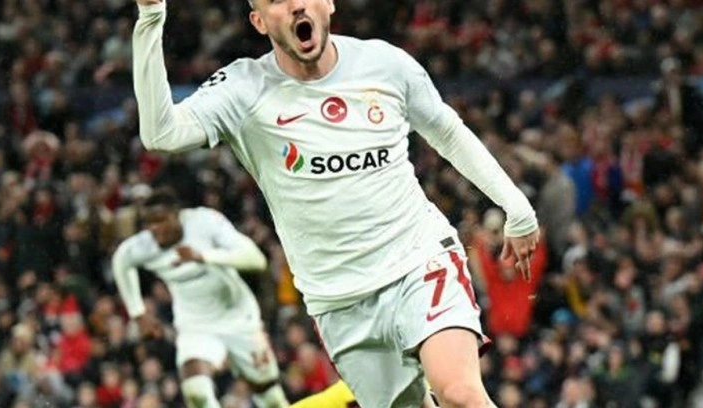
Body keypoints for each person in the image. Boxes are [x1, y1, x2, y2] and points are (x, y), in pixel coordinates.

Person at [131, 0, 540, 406]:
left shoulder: (385, 65)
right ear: (259, 21)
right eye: (276, 1)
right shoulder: (243, 88)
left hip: (418, 260)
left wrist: (516, 207)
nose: (295, 6)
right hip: (338, 300)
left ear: (328, 3)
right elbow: (161, 135)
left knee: (459, 393)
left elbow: (447, 132)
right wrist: (151, 17)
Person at [112, 189, 289, 408]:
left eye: (160, 220)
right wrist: (137, 314)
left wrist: (204, 256)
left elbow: (256, 260)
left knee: (271, 398)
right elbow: (121, 261)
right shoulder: (144, 245)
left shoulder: (204, 222)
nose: (154, 228)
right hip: (195, 324)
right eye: (149, 223)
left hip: (238, 316)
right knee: (196, 392)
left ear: (177, 215)